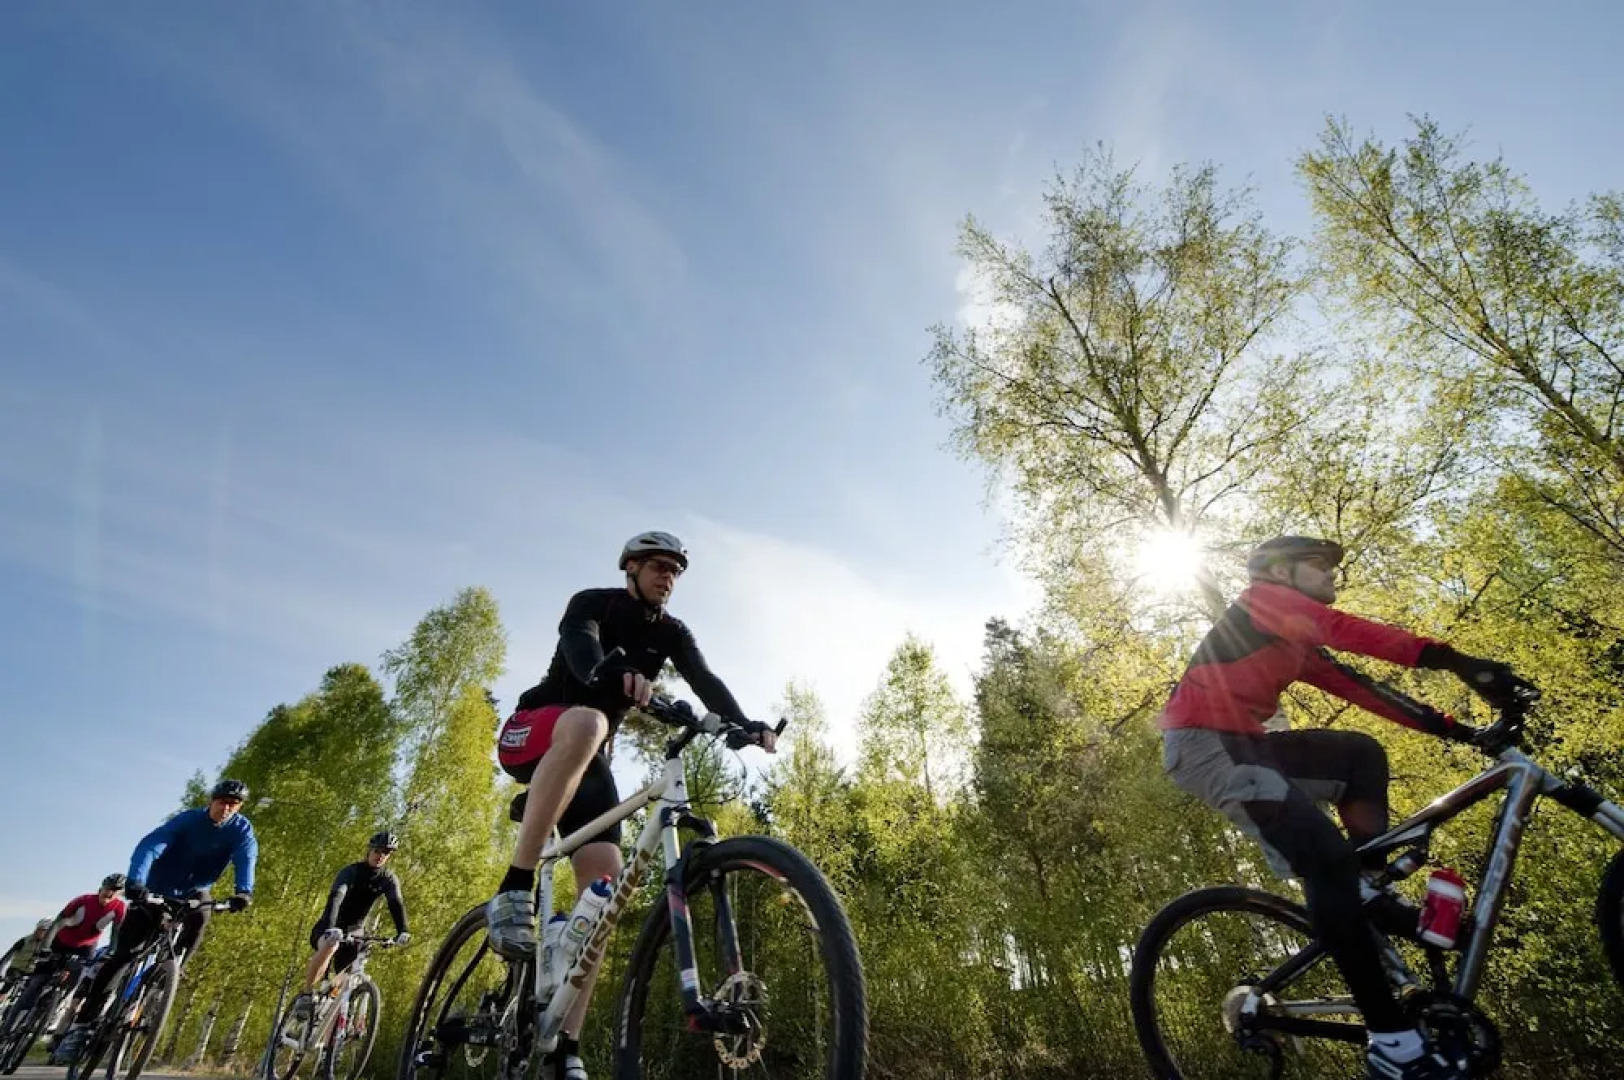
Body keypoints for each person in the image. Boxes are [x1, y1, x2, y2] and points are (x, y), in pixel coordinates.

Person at [1158, 536, 1534, 1080]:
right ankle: (1392, 1041)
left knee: (1360, 755)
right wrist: (1455, 661)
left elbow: (1364, 689)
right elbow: (1355, 634)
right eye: (1321, 565)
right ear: (1282, 572)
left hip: (1250, 744)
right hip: (1203, 744)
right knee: (1325, 860)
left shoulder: (1294, 639)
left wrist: (1457, 730)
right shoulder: (1265, 601)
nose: (1334, 573)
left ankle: (1367, 886)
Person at [487, 530, 776, 1080]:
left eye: (676, 571)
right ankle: (515, 887)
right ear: (632, 568)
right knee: (590, 721)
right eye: (659, 567)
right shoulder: (593, 603)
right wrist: (606, 673)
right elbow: (580, 643)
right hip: (537, 729)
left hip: (587, 758)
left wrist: (743, 724)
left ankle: (564, 1046)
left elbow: (705, 679)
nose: (668, 577)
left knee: (608, 885)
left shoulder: (672, 632)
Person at [53, 779, 258, 1063]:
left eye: (233, 805)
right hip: (155, 888)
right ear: (211, 801)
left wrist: (243, 891)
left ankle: (176, 966)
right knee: (122, 956)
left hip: (193, 891)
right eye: (222, 802)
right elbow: (150, 845)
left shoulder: (241, 829)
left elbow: (246, 857)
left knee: (203, 911)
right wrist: (137, 881)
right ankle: (82, 1025)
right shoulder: (188, 820)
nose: (226, 808)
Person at [291, 831, 410, 1018]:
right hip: (329, 925)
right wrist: (331, 927)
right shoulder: (351, 872)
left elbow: (395, 903)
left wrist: (402, 930)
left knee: (343, 987)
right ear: (369, 850)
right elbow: (336, 897)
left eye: (386, 853)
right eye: (378, 850)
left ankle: (329, 1042)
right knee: (331, 945)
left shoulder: (387, 878)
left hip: (355, 931)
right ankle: (307, 994)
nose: (381, 856)